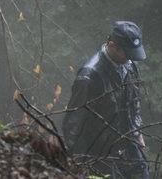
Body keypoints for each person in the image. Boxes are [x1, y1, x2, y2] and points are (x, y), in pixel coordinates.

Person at [62, 21, 149, 178]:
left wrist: (138, 135)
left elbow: (134, 103)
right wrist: (78, 165)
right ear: (112, 45)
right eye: (127, 54)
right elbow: (72, 125)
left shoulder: (130, 66)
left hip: (128, 146)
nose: (130, 59)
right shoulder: (89, 76)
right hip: (99, 153)